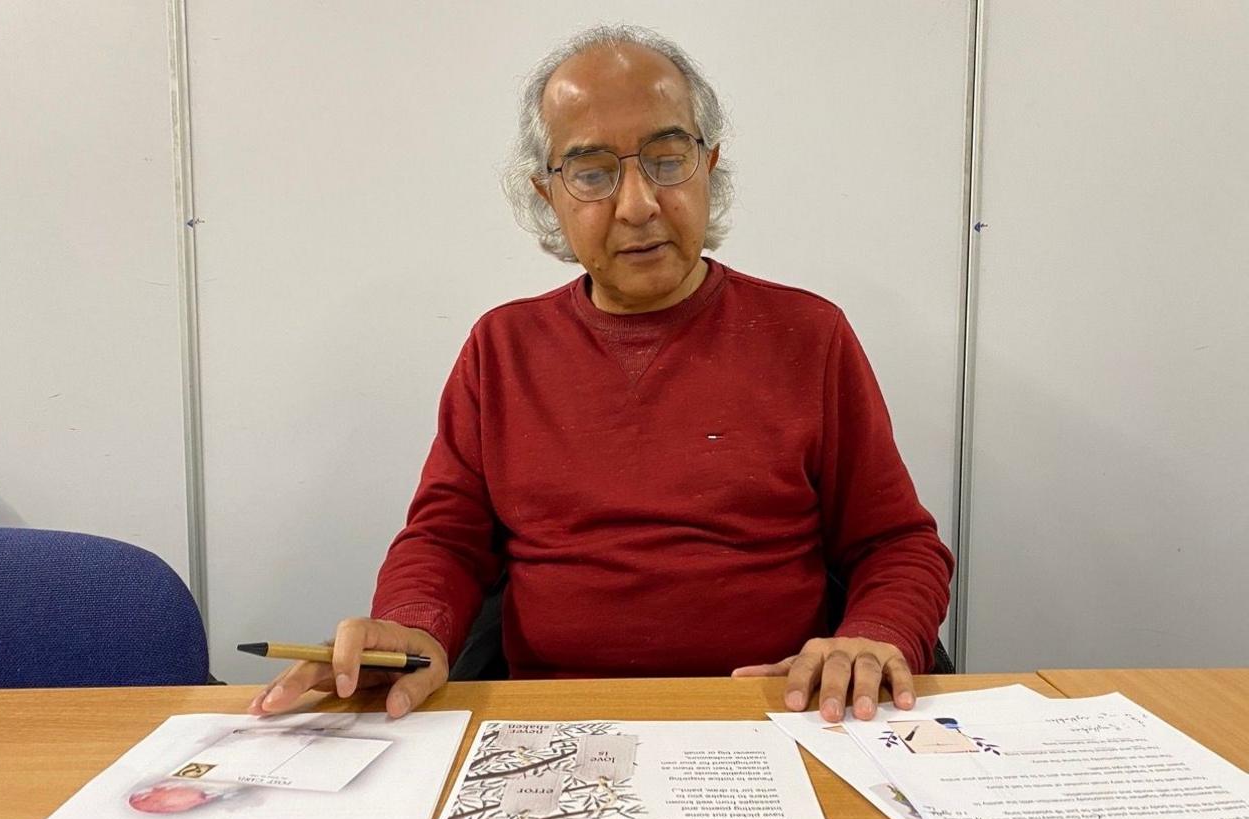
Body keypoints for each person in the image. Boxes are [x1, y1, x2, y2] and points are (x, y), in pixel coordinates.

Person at [250, 24, 952, 725]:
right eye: (592, 172)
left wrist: (875, 636)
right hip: (546, 720)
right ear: (547, 195)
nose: (638, 203)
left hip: (773, 710)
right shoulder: (503, 348)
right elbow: (445, 541)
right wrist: (412, 626)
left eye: (668, 158)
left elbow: (897, 544)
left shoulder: (809, 336)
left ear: (710, 165)